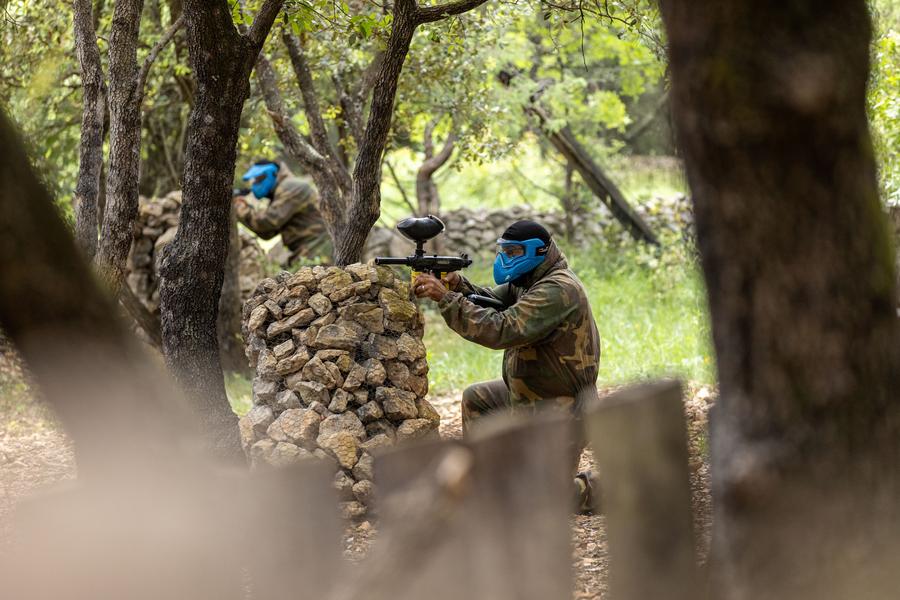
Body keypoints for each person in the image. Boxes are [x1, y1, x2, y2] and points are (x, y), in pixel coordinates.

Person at [412, 220, 601, 513]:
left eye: (513, 252)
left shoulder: (558, 290)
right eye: (504, 251)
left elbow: (502, 328)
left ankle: (598, 488)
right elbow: (491, 301)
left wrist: (446, 297)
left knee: (539, 501)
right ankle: (486, 481)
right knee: (477, 399)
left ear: (539, 251)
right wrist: (459, 286)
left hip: (562, 411)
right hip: (529, 397)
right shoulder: (527, 281)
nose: (506, 260)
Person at [234, 160, 332, 264]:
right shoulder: (279, 192)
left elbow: (267, 222)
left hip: (319, 250)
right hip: (309, 250)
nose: (255, 184)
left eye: (259, 179)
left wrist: (240, 207)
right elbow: (267, 233)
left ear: (273, 173)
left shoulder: (291, 187)